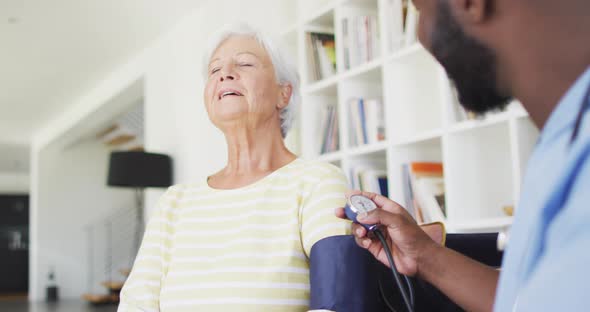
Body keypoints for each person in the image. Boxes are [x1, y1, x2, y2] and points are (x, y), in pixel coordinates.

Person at [336, 0, 590, 311]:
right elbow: (533, 300)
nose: (422, 36)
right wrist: (425, 256)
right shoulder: (561, 143)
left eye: (419, 9)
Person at [118, 23, 350, 311]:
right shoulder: (174, 202)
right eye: (215, 70)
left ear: (284, 93)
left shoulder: (318, 183)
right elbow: (135, 305)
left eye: (244, 63)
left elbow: (338, 304)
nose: (225, 73)